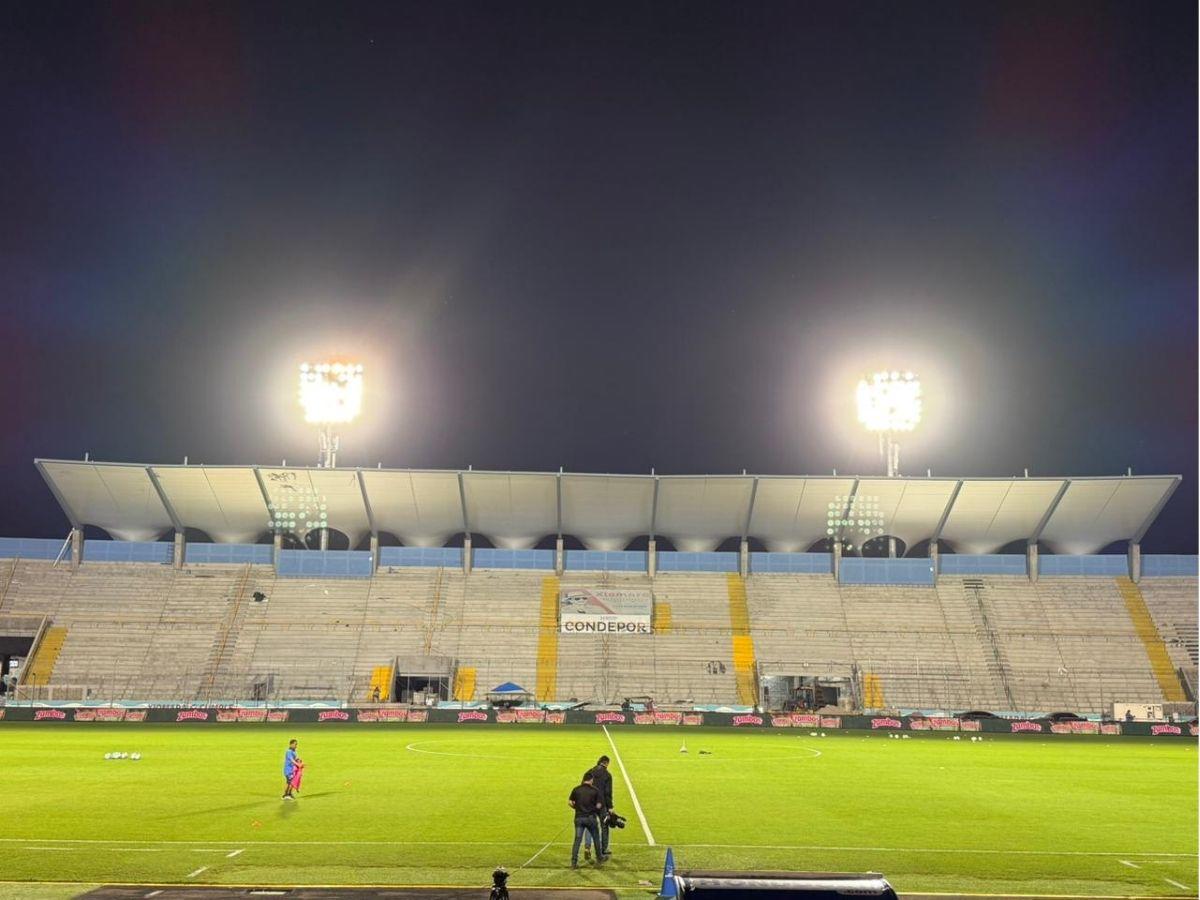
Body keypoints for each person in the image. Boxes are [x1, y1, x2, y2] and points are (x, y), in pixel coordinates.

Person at [567, 773, 603, 869]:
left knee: (577, 840)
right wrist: (594, 810)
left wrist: (577, 808)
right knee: (596, 838)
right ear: (591, 780)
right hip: (591, 818)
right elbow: (599, 805)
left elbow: (570, 802)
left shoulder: (576, 789)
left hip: (579, 818)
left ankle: (573, 863)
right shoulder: (595, 790)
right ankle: (599, 859)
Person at [581, 755, 614, 858]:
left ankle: (587, 847)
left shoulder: (589, 772)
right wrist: (610, 806)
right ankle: (603, 849)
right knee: (604, 825)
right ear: (606, 763)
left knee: (589, 826)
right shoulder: (607, 775)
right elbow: (607, 792)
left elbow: (583, 788)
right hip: (602, 804)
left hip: (589, 804)